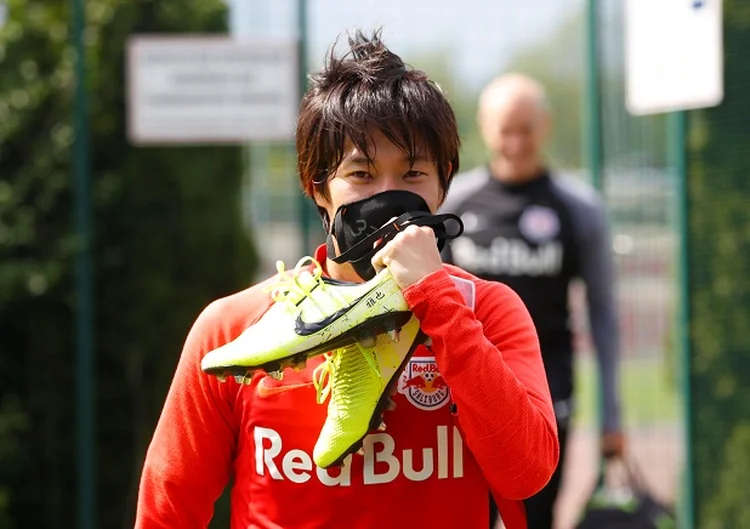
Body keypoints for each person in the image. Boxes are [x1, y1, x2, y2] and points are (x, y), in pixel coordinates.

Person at [134, 32, 558, 529]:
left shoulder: (485, 310)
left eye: (413, 173)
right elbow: (167, 510)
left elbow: (526, 473)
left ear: (444, 182)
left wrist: (437, 304)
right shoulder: (236, 330)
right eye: (361, 174)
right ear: (317, 186)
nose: (388, 195)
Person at [439, 73, 624, 529]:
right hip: (465, 392)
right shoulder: (454, 204)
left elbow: (603, 314)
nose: (516, 143)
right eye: (506, 129)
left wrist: (612, 417)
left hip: (546, 393)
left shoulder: (578, 208)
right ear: (484, 127)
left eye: (527, 129)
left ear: (546, 126)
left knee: (536, 518)